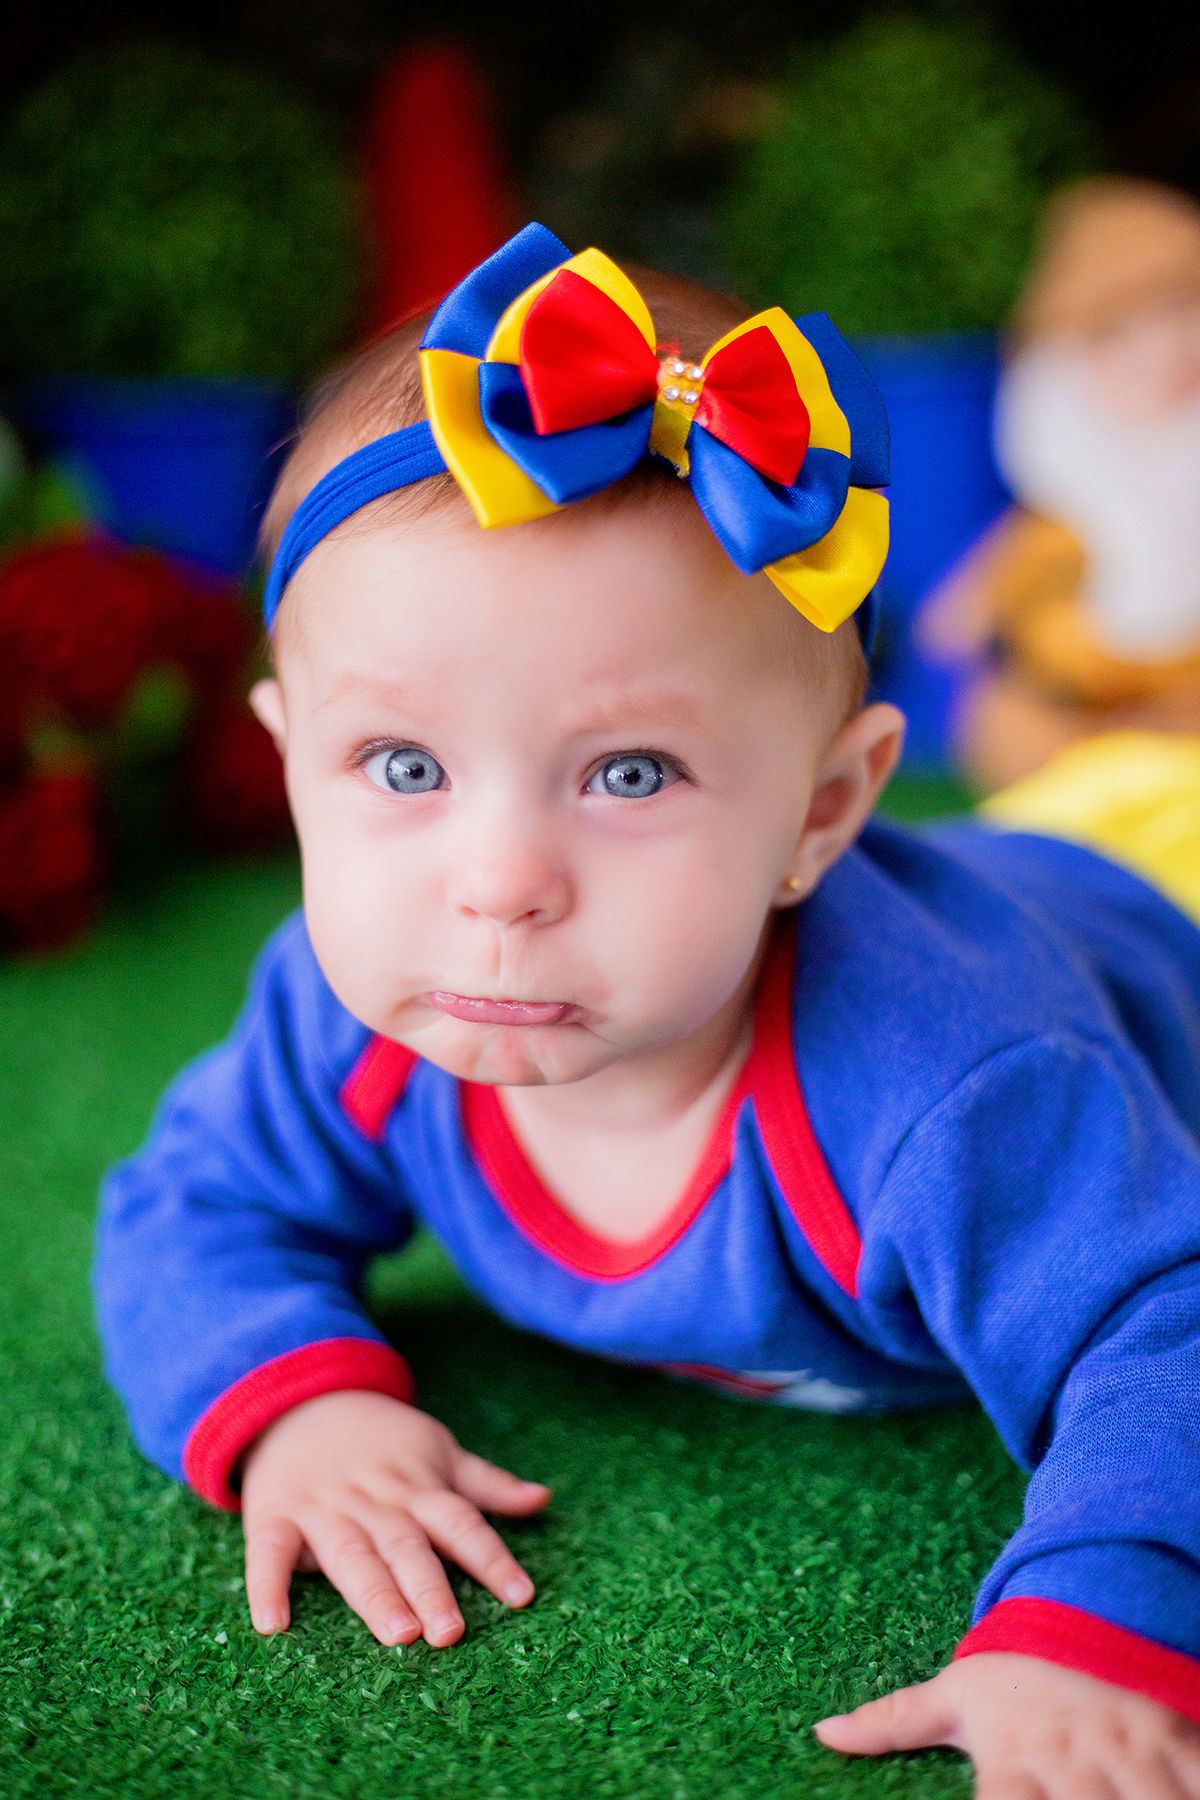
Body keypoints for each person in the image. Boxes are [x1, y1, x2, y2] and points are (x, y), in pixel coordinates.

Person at [96, 226, 1200, 1796]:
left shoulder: (954, 1085)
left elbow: (1165, 1325)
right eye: (402, 768)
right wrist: (298, 1408)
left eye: (629, 775)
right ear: (285, 760)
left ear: (825, 812)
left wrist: (1093, 1625)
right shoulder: (351, 1021)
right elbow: (194, 1204)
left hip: (1140, 912)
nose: (499, 883)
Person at [920, 177, 1200, 791]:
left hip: (1186, 695)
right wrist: (974, 597)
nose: (1180, 348)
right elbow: (1011, 556)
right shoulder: (1065, 460)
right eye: (1144, 328)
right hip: (1075, 698)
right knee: (1010, 723)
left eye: (1192, 316)